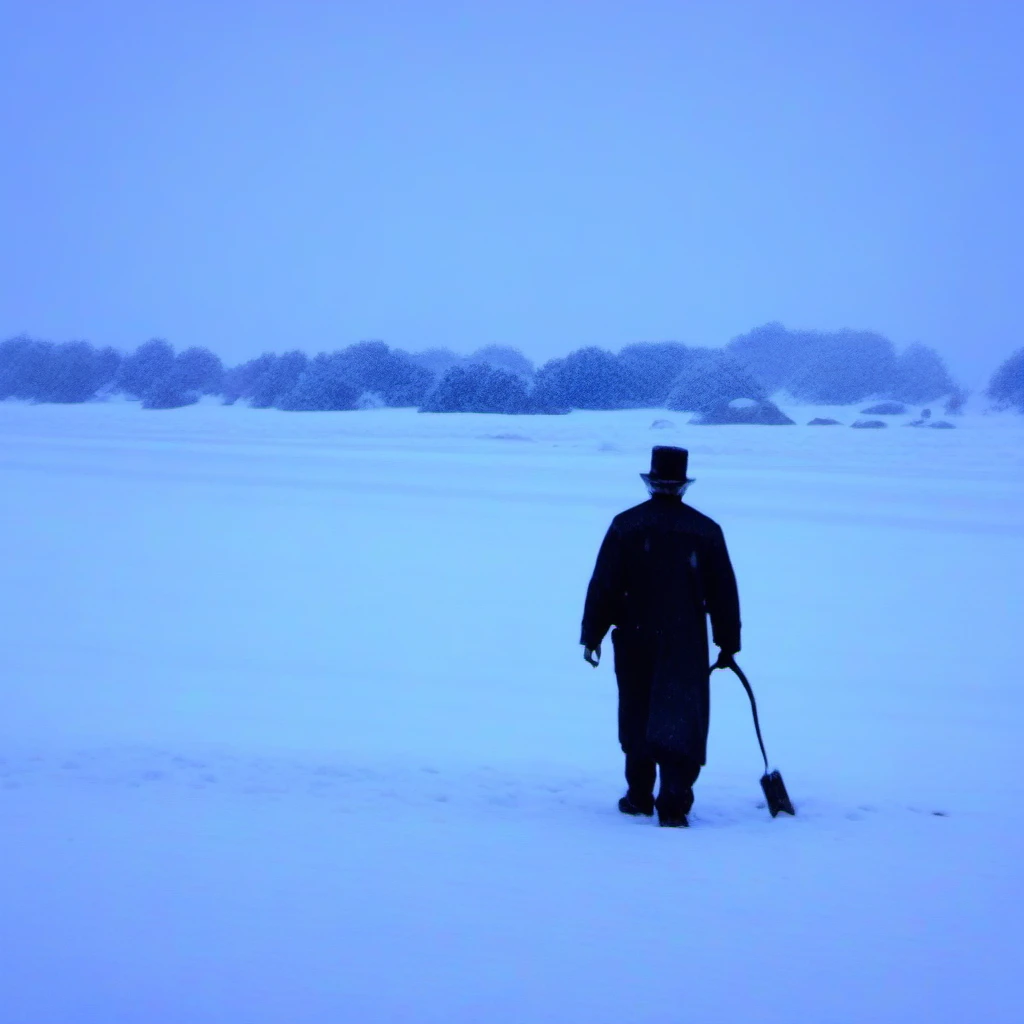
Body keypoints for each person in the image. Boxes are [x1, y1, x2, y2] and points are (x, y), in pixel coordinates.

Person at [581, 446, 741, 827]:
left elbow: (603, 584)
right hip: (684, 641)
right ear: (682, 487)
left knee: (637, 715)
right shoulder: (705, 530)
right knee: (680, 717)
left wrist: (592, 634)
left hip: (635, 636)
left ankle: (639, 797)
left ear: (652, 482)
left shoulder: (626, 525)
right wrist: (727, 643)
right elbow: (724, 593)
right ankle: (673, 802)